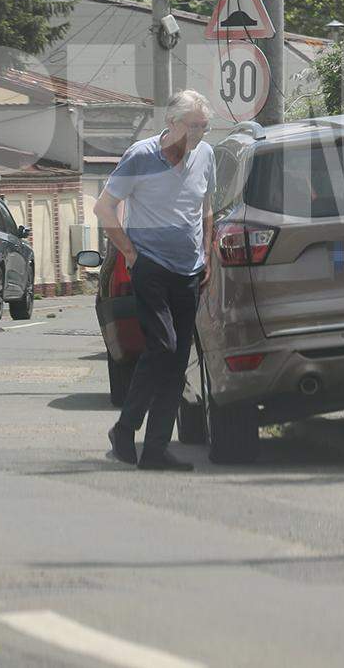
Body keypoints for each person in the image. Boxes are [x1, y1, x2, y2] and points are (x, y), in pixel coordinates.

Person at [94, 89, 216, 471]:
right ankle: (126, 428)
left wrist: (207, 252)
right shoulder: (141, 156)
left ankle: (156, 449)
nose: (197, 134)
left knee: (178, 360)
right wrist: (130, 253)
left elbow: (207, 207)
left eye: (203, 128)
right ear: (171, 123)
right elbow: (104, 208)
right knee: (162, 345)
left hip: (189, 271)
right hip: (150, 268)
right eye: (192, 126)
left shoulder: (206, 156)